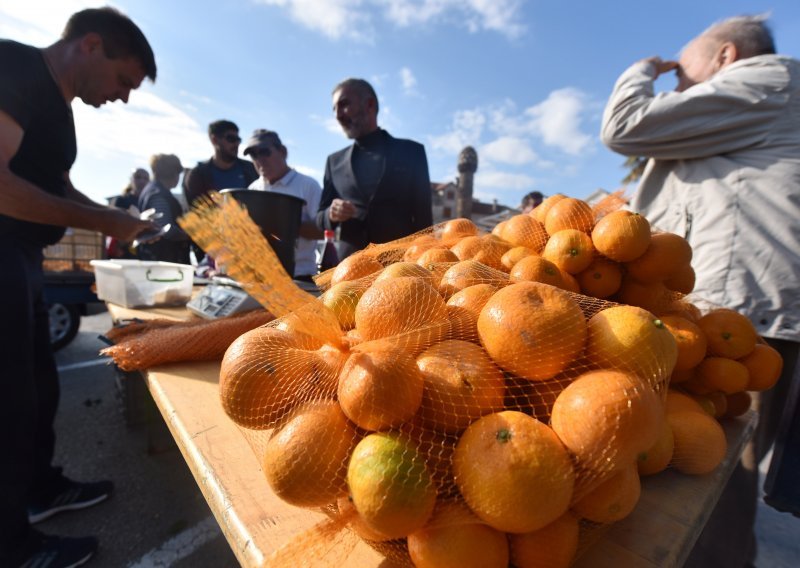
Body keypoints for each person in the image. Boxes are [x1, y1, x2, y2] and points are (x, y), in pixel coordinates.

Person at [600, 14, 799, 568]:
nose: (679, 89)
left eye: (681, 76)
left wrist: (644, 70)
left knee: (713, 480)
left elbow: (625, 124)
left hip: (742, 315)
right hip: (740, 310)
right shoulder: (761, 106)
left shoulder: (765, 80)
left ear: (726, 58)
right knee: (704, 473)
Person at [0, 7, 158, 567]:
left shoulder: (58, 109)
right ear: (91, 45)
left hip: (24, 257)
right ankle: (11, 547)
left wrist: (124, 219)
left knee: (38, 390)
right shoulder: (13, 66)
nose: (123, 97)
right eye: (124, 81)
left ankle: (37, 492)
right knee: (8, 401)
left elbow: (58, 185)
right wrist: (105, 224)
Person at [317, 78, 433, 259]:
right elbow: (320, 217)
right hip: (349, 271)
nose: (337, 115)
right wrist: (331, 214)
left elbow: (425, 224)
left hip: (398, 273)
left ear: (370, 104)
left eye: (344, 104)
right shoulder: (334, 162)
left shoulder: (412, 153)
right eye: (334, 109)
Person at [243, 129, 323, 281]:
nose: (259, 159)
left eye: (264, 152)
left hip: (299, 276)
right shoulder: (253, 189)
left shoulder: (309, 185)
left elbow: (323, 230)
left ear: (283, 152)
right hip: (261, 277)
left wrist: (284, 224)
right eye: (253, 155)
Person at [183, 120, 258, 207]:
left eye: (238, 140)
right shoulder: (197, 175)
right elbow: (196, 213)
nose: (236, 144)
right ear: (214, 140)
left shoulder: (251, 169)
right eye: (231, 139)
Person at [137, 153, 191, 264]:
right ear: (173, 173)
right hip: (162, 260)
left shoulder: (153, 190)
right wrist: (191, 235)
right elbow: (164, 228)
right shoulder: (158, 194)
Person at [107, 167, 150, 258]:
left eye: (146, 178)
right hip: (122, 253)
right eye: (138, 177)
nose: (142, 181)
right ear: (131, 179)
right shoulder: (120, 200)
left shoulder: (150, 203)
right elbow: (111, 226)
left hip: (144, 254)